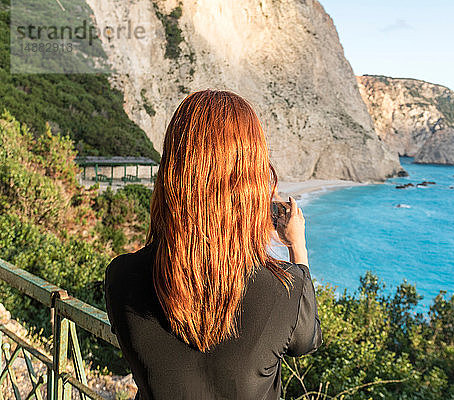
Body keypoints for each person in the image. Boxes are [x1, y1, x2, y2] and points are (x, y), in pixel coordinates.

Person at [104, 90, 322, 400]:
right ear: (252, 182)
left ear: (172, 172)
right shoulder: (283, 288)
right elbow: (306, 339)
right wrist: (297, 249)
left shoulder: (122, 277)